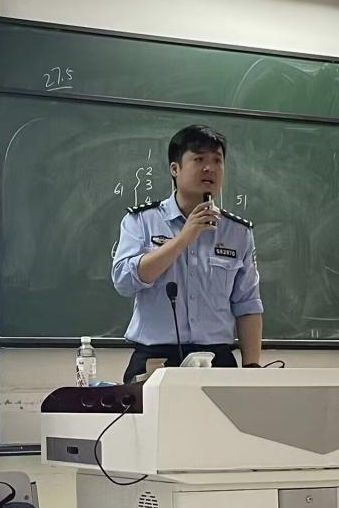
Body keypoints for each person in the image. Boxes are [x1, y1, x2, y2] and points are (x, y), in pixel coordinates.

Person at [112, 124, 263, 383]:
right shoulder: (141, 221)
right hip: (155, 360)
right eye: (199, 159)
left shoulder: (237, 232)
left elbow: (247, 304)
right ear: (175, 169)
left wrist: (252, 368)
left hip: (217, 360)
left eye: (217, 160)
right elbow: (124, 281)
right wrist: (183, 238)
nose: (210, 168)